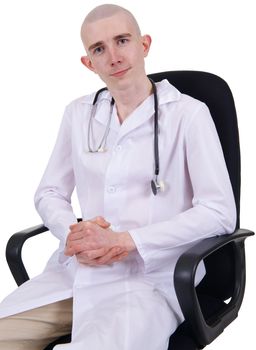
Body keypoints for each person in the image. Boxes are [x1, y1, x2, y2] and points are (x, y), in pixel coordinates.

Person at [0, 4, 236, 350]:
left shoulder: (188, 114)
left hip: (151, 279)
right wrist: (73, 235)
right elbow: (50, 191)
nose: (113, 56)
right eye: (98, 48)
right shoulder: (79, 114)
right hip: (77, 273)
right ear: (88, 62)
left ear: (144, 45)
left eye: (122, 40)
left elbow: (218, 212)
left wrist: (126, 241)